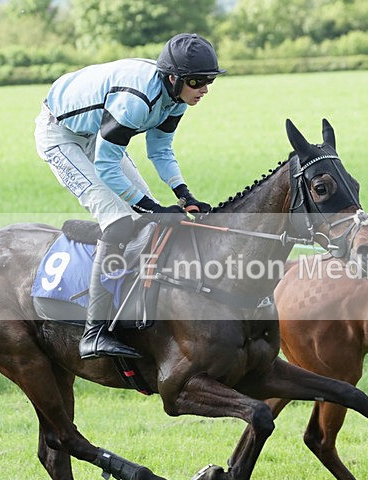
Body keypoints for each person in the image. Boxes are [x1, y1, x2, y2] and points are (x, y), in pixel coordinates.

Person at [34, 33, 225, 360]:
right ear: (173, 78)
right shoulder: (137, 101)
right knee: (121, 221)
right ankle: (94, 332)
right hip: (60, 136)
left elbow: (161, 150)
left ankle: (135, 301)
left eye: (209, 80)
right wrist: (152, 207)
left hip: (96, 132)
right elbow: (106, 167)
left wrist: (183, 193)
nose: (204, 88)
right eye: (197, 81)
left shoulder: (178, 97)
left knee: (149, 223)